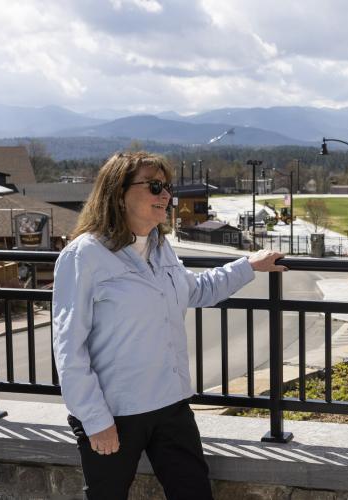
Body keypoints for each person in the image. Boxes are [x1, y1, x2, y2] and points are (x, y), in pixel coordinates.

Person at [52, 151, 286, 499]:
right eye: (155, 186)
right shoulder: (84, 256)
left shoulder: (161, 247)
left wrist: (249, 265)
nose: (166, 196)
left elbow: (198, 290)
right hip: (116, 412)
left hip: (170, 406)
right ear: (118, 193)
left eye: (168, 188)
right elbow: (69, 347)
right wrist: (95, 420)